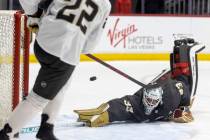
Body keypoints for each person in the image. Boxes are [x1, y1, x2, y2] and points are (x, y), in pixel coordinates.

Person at [0, 0, 111, 140]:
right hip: (61, 57)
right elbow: (89, 46)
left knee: (64, 82)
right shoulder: (105, 5)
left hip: (42, 43)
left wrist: (36, 17)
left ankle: (47, 128)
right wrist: (75, 44)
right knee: (37, 100)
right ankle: (6, 134)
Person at [74, 38, 205, 127]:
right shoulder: (137, 104)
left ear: (160, 100)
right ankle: (181, 51)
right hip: (164, 88)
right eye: (149, 101)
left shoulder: (170, 97)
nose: (150, 104)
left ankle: (185, 49)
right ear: (144, 98)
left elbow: (183, 90)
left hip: (175, 86)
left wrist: (183, 108)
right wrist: (103, 113)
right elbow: (119, 106)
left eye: (154, 102)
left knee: (182, 76)